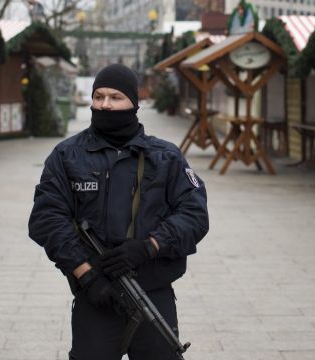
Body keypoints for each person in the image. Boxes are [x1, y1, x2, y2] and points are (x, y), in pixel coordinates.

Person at [28, 63, 209, 360]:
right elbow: (46, 218)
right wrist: (86, 275)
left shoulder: (164, 157)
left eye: (115, 97)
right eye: (98, 97)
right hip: (96, 294)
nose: (105, 105)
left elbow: (194, 214)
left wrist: (149, 246)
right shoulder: (67, 156)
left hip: (151, 294)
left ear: (133, 104)